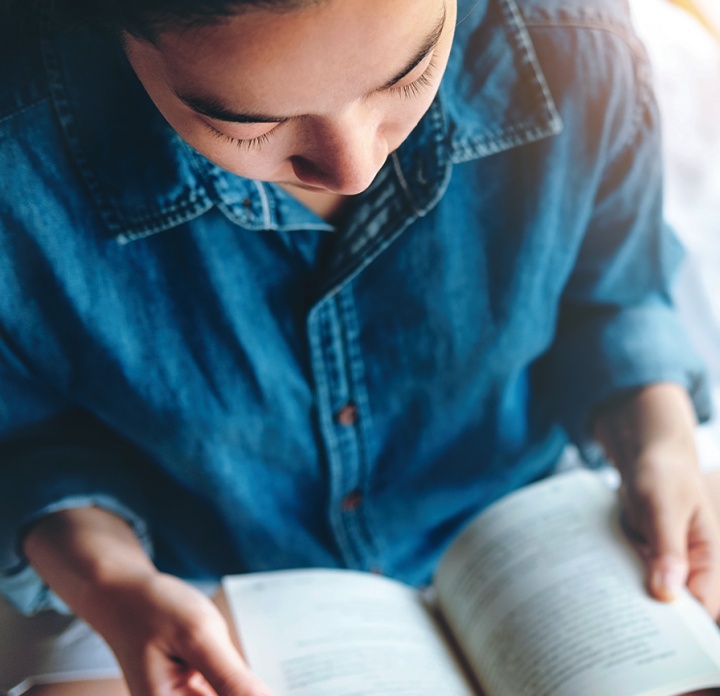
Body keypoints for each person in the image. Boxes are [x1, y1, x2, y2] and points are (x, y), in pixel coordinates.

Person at [1, 0, 719, 694]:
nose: (355, 170)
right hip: (178, 575)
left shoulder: (572, 34)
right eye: (251, 124)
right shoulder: (18, 148)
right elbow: (25, 434)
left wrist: (659, 438)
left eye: (409, 76)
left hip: (524, 527)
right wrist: (111, 581)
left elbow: (616, 295)